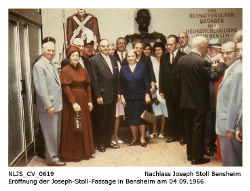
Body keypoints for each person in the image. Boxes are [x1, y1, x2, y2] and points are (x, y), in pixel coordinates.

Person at [178, 36, 222, 165]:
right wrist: (221, 64)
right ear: (202, 46)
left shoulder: (182, 60)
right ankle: (197, 158)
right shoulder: (201, 62)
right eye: (207, 46)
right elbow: (213, 77)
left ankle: (190, 154)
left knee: (189, 129)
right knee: (198, 130)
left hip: (185, 101)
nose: (206, 49)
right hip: (199, 102)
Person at [32, 41, 65, 166]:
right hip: (49, 106)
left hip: (56, 104)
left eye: (53, 50)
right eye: (48, 50)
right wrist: (49, 105)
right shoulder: (39, 66)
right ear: (42, 50)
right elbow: (41, 88)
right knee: (50, 133)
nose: (51, 53)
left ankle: (55, 155)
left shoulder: (50, 64)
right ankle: (52, 159)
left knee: (55, 133)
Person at [60, 45, 95, 160]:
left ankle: (85, 152)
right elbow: (66, 88)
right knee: (73, 126)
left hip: (83, 100)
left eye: (77, 55)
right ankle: (73, 154)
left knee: (83, 125)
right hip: (71, 102)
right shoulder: (65, 70)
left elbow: (88, 86)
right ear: (69, 58)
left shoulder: (83, 70)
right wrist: (74, 103)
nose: (75, 58)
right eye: (72, 56)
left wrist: (89, 101)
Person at [89, 39, 120, 152]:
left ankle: (108, 141)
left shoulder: (113, 58)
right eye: (103, 46)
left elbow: (116, 78)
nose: (106, 48)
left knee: (110, 120)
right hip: (102, 96)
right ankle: (100, 143)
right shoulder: (94, 60)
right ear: (99, 47)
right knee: (101, 121)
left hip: (112, 95)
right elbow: (94, 79)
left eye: (107, 46)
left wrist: (118, 93)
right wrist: (98, 96)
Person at [216, 42, 242, 166]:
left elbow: (235, 101)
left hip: (229, 127)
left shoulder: (238, 72)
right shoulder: (230, 69)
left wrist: (230, 126)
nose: (225, 56)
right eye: (223, 53)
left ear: (237, 53)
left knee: (232, 164)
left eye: (229, 53)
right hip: (226, 125)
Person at [120, 49, 151, 147]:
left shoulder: (142, 67)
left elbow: (146, 81)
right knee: (131, 118)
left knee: (142, 118)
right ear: (126, 57)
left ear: (136, 57)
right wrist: (122, 96)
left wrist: (147, 94)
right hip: (129, 97)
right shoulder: (123, 68)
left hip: (141, 97)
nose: (131, 58)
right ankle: (134, 138)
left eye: (133, 56)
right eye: (129, 56)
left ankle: (142, 138)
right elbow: (121, 84)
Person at [159, 35, 186, 145]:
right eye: (167, 44)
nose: (168, 46)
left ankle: (183, 136)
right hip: (168, 91)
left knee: (181, 114)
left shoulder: (183, 56)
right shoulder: (164, 57)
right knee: (171, 114)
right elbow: (161, 74)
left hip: (180, 91)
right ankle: (174, 135)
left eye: (171, 44)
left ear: (177, 45)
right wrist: (161, 90)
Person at [204, 38, 224, 156]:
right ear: (209, 50)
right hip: (208, 96)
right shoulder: (205, 60)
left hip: (215, 95)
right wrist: (216, 62)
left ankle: (212, 144)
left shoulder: (215, 60)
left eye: (219, 51)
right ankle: (206, 146)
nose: (218, 53)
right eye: (216, 50)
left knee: (213, 121)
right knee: (208, 121)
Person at [149, 42, 168, 139]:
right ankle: (154, 131)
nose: (158, 52)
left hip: (163, 90)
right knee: (154, 111)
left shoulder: (167, 61)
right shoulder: (152, 61)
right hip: (154, 89)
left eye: (160, 49)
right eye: (156, 50)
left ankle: (162, 131)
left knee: (164, 111)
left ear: (163, 50)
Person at [109, 43, 125, 144]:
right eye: (108, 49)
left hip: (117, 94)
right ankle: (110, 136)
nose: (110, 51)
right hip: (109, 94)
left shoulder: (117, 62)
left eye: (112, 50)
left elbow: (120, 79)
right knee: (111, 115)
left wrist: (120, 93)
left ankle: (116, 135)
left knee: (117, 115)